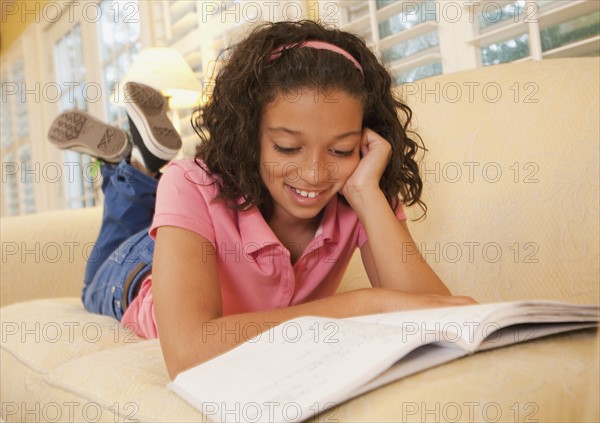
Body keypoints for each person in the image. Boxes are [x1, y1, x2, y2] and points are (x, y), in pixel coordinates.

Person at [48, 20, 476, 381]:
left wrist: (366, 193)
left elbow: (443, 314)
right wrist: (365, 304)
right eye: (288, 148)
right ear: (248, 135)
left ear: (363, 144)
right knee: (102, 266)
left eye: (341, 150)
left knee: (163, 192)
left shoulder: (359, 190)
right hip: (137, 272)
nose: (314, 173)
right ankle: (122, 169)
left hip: (188, 227)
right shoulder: (191, 182)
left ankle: (134, 163)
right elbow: (188, 354)